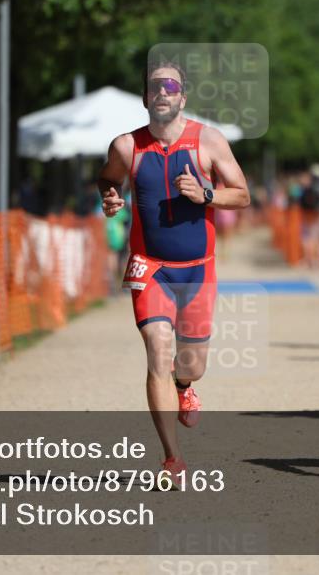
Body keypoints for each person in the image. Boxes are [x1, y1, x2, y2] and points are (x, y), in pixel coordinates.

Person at [98, 61, 250, 477]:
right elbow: (107, 180)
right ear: (146, 98)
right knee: (157, 354)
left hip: (197, 270)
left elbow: (242, 195)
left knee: (192, 364)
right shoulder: (126, 146)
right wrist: (111, 198)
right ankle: (171, 458)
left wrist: (205, 194)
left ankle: (185, 388)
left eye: (171, 85)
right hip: (150, 269)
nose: (163, 91)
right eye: (155, 85)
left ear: (182, 97)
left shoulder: (209, 141)